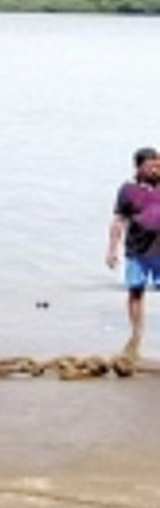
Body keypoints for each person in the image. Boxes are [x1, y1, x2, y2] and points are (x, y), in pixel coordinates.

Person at [106, 146, 160, 359]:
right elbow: (119, 220)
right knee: (135, 291)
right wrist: (112, 250)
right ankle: (136, 334)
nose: (157, 170)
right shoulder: (127, 190)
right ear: (139, 167)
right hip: (137, 250)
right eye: (152, 166)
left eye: (159, 165)